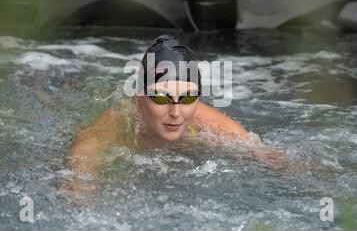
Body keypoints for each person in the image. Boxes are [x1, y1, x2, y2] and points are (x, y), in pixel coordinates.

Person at [67, 35, 290, 187]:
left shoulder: (207, 124)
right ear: (139, 98)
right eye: (161, 97)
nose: (176, 112)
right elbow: (79, 178)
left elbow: (274, 159)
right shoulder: (112, 128)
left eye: (188, 97)